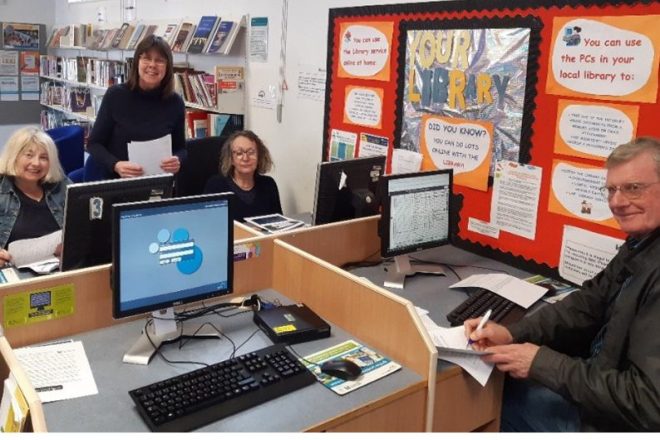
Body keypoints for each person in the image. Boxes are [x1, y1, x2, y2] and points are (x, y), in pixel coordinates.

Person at [465, 136, 660, 432]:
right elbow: (587, 305)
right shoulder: (641, 243)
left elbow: (648, 403)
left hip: (613, 423)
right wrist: (511, 333)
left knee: (485, 401)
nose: (618, 202)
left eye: (633, 188)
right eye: (611, 190)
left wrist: (542, 364)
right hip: (597, 391)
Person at [87, 34, 185, 179]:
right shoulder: (116, 96)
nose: (152, 65)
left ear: (168, 67)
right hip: (118, 182)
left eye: (159, 60)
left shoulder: (175, 102)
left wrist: (178, 160)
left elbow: (181, 148)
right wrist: (116, 164)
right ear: (137, 62)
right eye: (146, 58)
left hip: (158, 182)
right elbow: (94, 144)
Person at [0, 127, 69, 265]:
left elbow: (84, 223)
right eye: (29, 155)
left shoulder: (60, 185)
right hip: (13, 273)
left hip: (58, 269)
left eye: (44, 157)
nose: (36, 163)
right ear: (14, 157)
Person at [204, 130, 282, 221]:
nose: (245, 158)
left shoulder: (268, 184)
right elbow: (207, 224)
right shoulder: (216, 186)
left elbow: (279, 224)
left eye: (251, 152)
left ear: (259, 156)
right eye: (239, 153)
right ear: (231, 159)